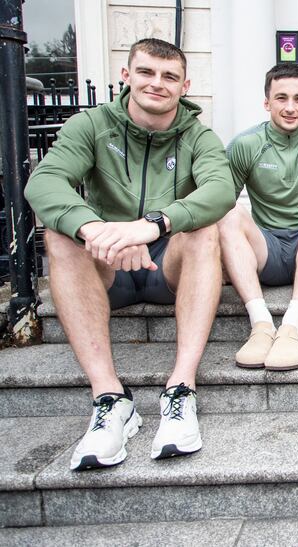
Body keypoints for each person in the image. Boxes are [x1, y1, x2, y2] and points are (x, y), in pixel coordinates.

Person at [24, 38, 236, 470]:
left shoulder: (198, 135)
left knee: (204, 231)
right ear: (126, 76)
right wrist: (95, 228)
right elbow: (44, 182)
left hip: (167, 264)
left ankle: (181, 390)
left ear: (184, 85)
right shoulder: (91, 125)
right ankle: (111, 399)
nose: (156, 84)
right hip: (106, 261)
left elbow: (221, 190)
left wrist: (153, 224)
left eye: (169, 77)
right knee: (61, 237)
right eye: (146, 72)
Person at [219, 64, 298, 371]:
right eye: (281, 98)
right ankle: (261, 324)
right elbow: (220, 205)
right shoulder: (245, 144)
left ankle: (293, 326)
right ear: (267, 103)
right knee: (228, 211)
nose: (290, 107)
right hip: (268, 251)